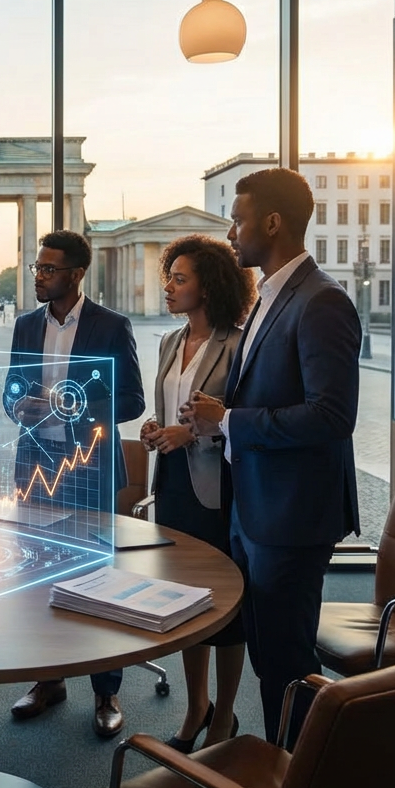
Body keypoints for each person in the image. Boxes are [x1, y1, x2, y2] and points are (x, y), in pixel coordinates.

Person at [182, 168, 361, 744]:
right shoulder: (269, 297)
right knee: (268, 656)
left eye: (238, 220)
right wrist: (218, 419)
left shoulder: (322, 301)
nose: (230, 232)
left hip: (291, 516)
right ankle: (283, 765)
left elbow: (331, 417)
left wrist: (229, 419)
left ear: (274, 223)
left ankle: (300, 781)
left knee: (288, 663)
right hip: (255, 509)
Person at [5, 230, 145, 737]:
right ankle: (49, 679)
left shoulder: (111, 326)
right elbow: (11, 390)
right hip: (36, 468)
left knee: (98, 578)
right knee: (40, 575)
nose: (39, 276)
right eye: (37, 268)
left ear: (77, 274)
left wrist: (72, 408)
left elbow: (132, 401)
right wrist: (18, 406)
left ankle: (106, 692)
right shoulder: (26, 325)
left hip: (89, 468)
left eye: (49, 269)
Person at [140, 234, 255, 751]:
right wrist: (155, 428)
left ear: (207, 288)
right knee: (186, 601)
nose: (168, 287)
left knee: (226, 606)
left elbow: (238, 420)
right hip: (172, 485)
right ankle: (196, 707)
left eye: (179, 279)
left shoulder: (239, 345)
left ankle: (225, 714)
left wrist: (194, 434)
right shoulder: (170, 341)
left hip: (219, 489)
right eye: (170, 277)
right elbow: (169, 408)